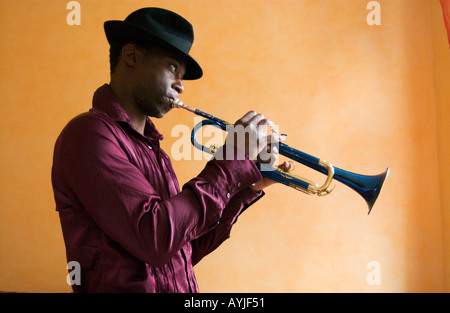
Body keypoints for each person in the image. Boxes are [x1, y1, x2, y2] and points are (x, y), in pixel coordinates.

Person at [51, 7, 287, 293]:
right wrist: (232, 160)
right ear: (132, 56)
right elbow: (156, 239)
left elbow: (183, 251)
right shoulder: (88, 134)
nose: (181, 86)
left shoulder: (155, 152)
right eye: (173, 67)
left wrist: (245, 188)